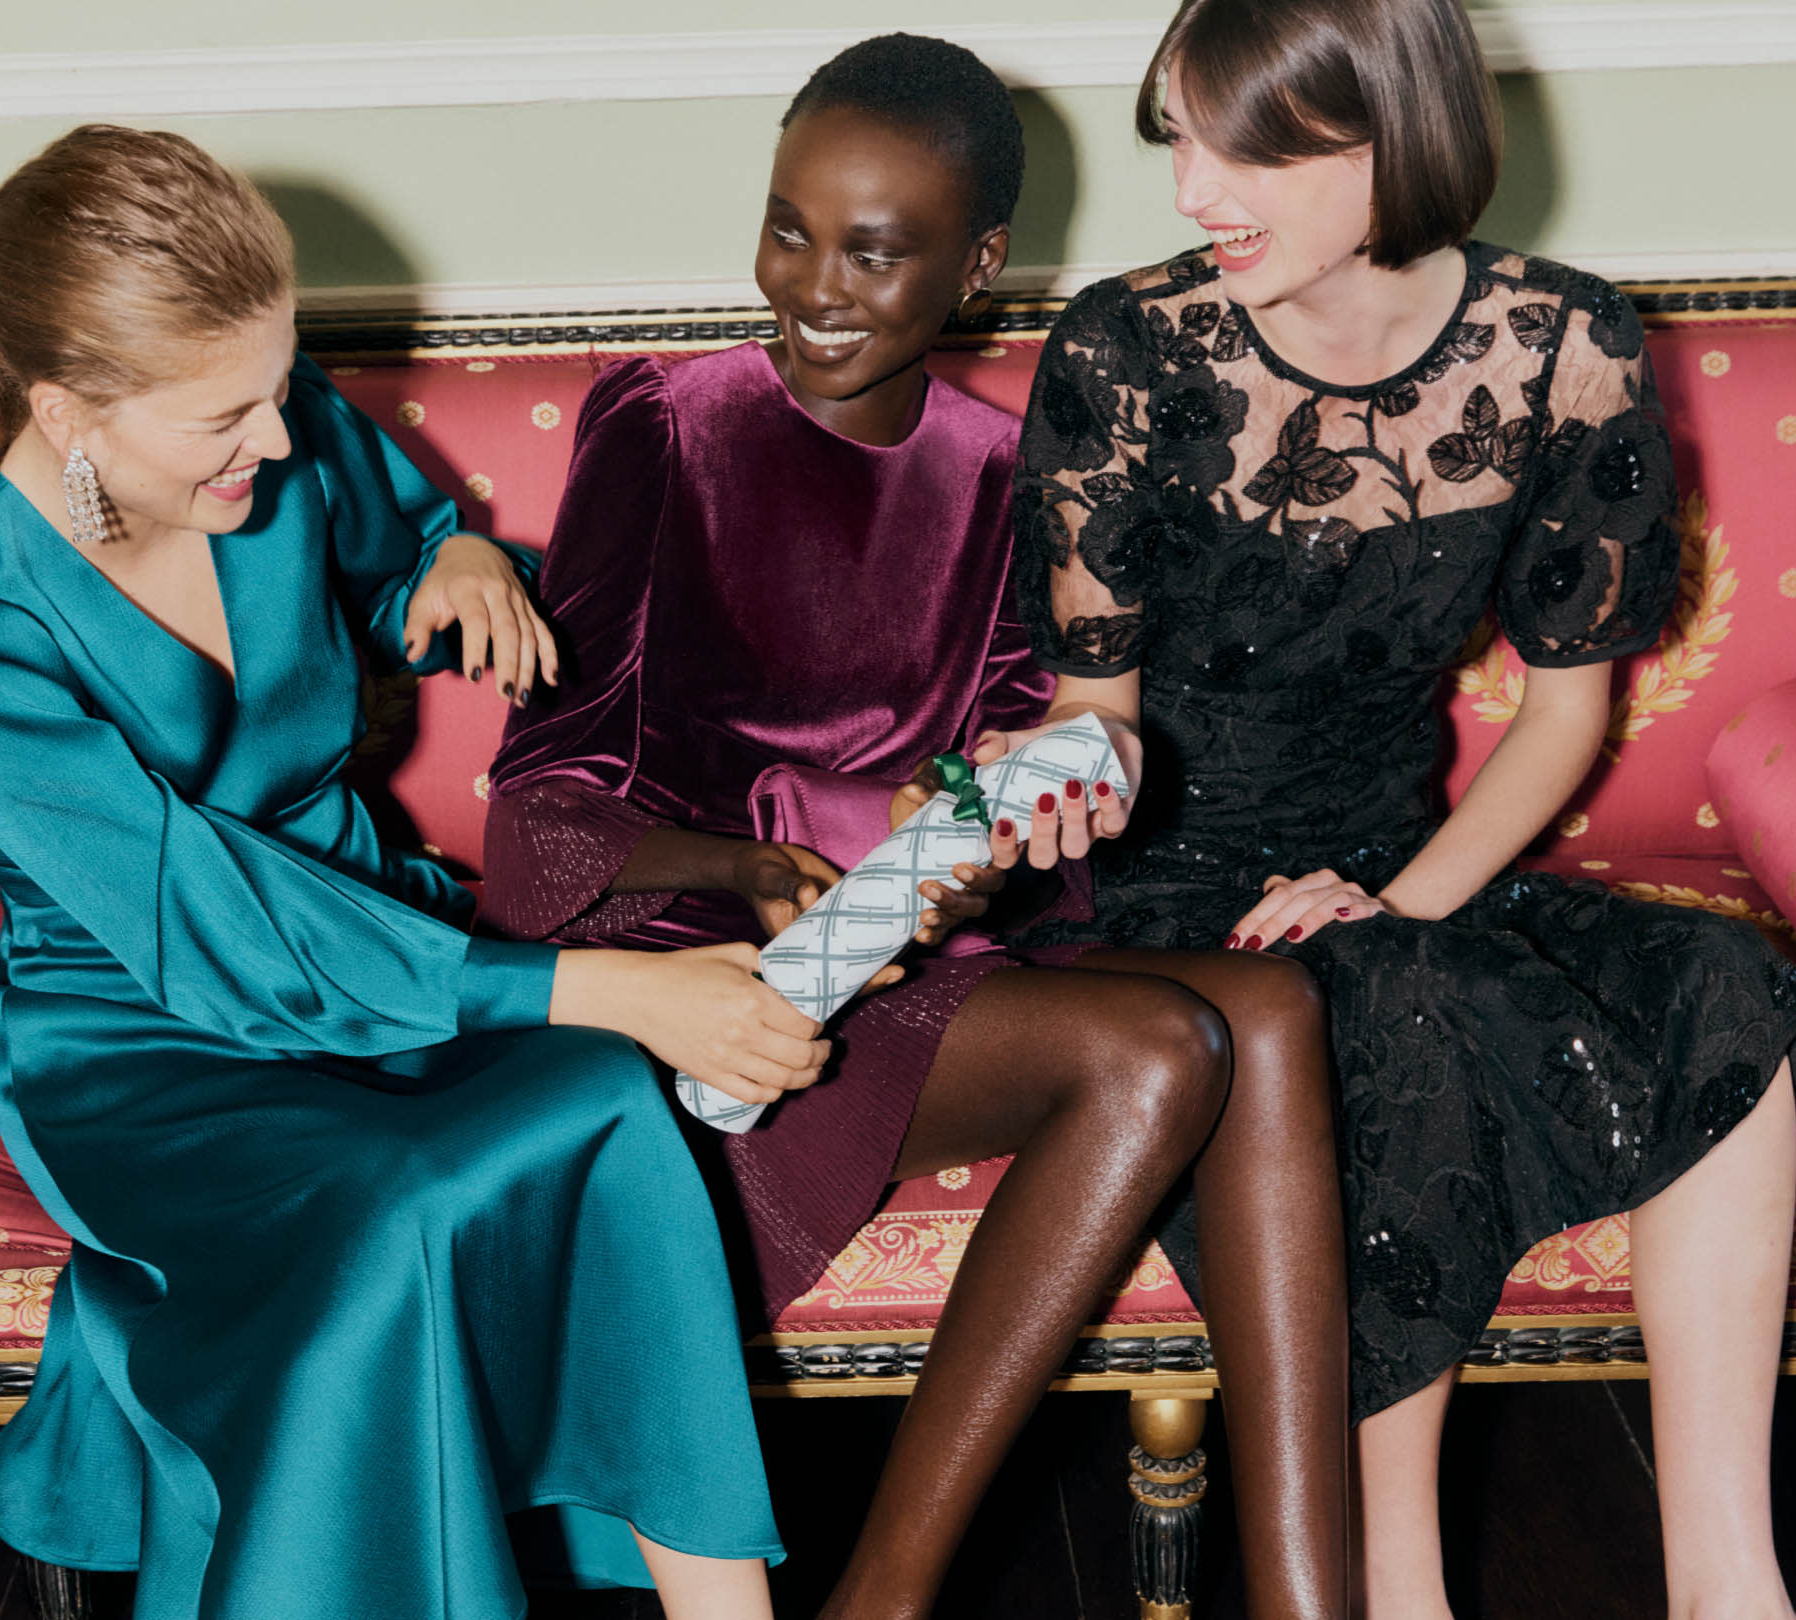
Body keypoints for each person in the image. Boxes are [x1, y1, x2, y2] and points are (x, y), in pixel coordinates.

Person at [0, 124, 813, 1620]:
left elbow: (396, 525)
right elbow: (198, 916)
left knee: (606, 1103)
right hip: (147, 1036)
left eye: (279, 390)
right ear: (65, 410)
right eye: (226, 416)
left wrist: (452, 558)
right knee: (399, 1212)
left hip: (386, 944)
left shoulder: (262, 438)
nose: (276, 443)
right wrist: (591, 983)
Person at [485, 36, 1349, 1620]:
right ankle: (884, 1598)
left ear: (979, 262)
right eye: (790, 226)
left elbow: (1028, 815)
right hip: (690, 987)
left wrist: (1001, 838)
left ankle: (1315, 1604)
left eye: (878, 250)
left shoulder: (1012, 476)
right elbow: (533, 827)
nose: (815, 283)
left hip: (897, 957)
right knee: (1156, 1053)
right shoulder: (667, 427)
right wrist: (750, 864)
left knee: (1275, 1011)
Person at [1005, 3, 1796, 1615]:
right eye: (1176, 135)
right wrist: (1033, 801)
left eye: (1245, 146)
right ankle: (1393, 1591)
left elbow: (1564, 706)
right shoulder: (1123, 349)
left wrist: (1405, 897)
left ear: (1392, 138)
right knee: (1381, 1016)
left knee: (1728, 988)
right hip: (1174, 900)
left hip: (1404, 863)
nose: (1192, 189)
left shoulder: (1565, 343)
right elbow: (1094, 712)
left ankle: (1730, 1585)